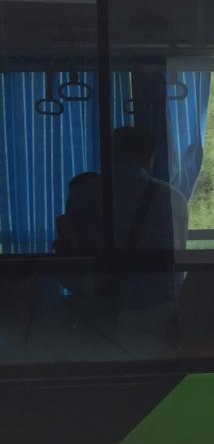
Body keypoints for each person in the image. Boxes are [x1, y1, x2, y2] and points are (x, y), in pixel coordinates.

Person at [60, 126, 189, 354]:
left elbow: (74, 254)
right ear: (150, 156)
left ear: (110, 153)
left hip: (104, 310)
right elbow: (179, 260)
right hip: (162, 311)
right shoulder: (172, 198)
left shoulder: (82, 195)